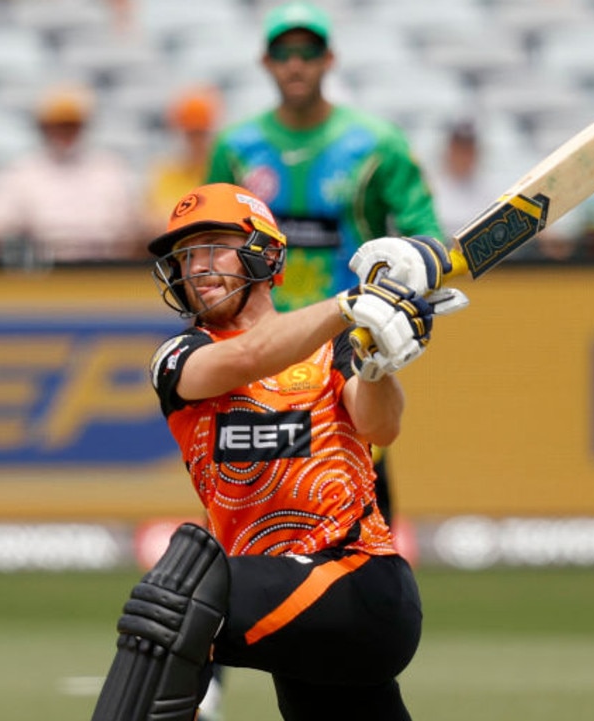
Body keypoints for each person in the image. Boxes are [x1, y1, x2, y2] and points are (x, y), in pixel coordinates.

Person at [89, 183, 464, 721]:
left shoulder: (332, 347)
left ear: (264, 254)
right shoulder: (178, 357)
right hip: (288, 607)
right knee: (189, 589)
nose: (197, 267)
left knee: (179, 596)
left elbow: (381, 425)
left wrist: (378, 363)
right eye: (186, 255)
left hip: (357, 582)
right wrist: (352, 304)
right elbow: (250, 357)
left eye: (214, 246)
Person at [205, 0, 445, 525]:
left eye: (307, 52)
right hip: (258, 343)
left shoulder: (376, 145)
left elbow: (425, 236)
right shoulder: (237, 147)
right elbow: (211, 246)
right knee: (252, 496)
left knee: (360, 494)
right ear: (265, 62)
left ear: (328, 58)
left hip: (346, 342)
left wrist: (405, 280)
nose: (296, 64)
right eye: (283, 53)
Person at [0, 84, 145, 263]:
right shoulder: (24, 171)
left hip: (104, 268)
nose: (65, 133)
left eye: (72, 125)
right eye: (59, 125)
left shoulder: (109, 167)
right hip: (44, 273)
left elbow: (133, 230)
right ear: (44, 127)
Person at [144, 85, 222, 235]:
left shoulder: (222, 169)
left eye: (201, 133)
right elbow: (152, 221)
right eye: (190, 133)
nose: (196, 141)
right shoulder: (164, 172)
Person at [428, 119, 498, 238]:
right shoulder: (429, 186)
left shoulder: (488, 190)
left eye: (468, 150)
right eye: (459, 149)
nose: (463, 156)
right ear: (449, 149)